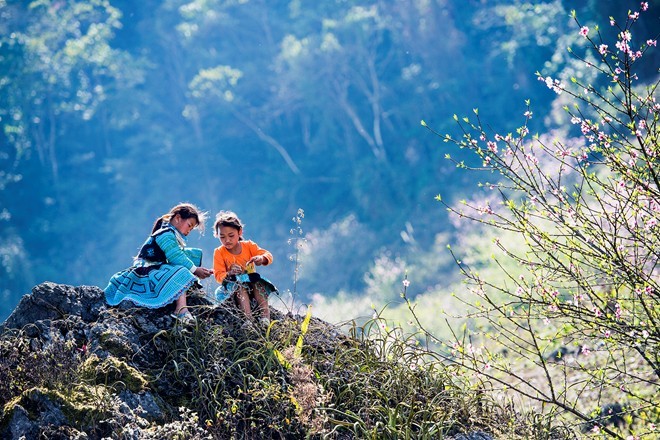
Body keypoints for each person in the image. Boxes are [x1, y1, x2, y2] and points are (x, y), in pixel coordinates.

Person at [104, 203, 214, 322]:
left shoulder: (169, 234)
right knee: (181, 271)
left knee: (186, 262)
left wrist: (197, 267)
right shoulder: (165, 234)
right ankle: (181, 310)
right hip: (146, 272)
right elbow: (175, 256)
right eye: (189, 226)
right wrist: (195, 269)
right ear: (177, 218)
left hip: (156, 269)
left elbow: (178, 254)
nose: (189, 231)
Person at [212, 210, 277, 325]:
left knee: (258, 282)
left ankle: (265, 317)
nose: (227, 240)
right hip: (233, 286)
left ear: (240, 232)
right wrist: (229, 273)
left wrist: (261, 259)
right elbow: (218, 275)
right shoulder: (219, 252)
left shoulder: (249, 246)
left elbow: (268, 255)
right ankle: (248, 319)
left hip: (252, 284)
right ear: (217, 235)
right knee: (240, 287)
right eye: (222, 237)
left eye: (231, 235)